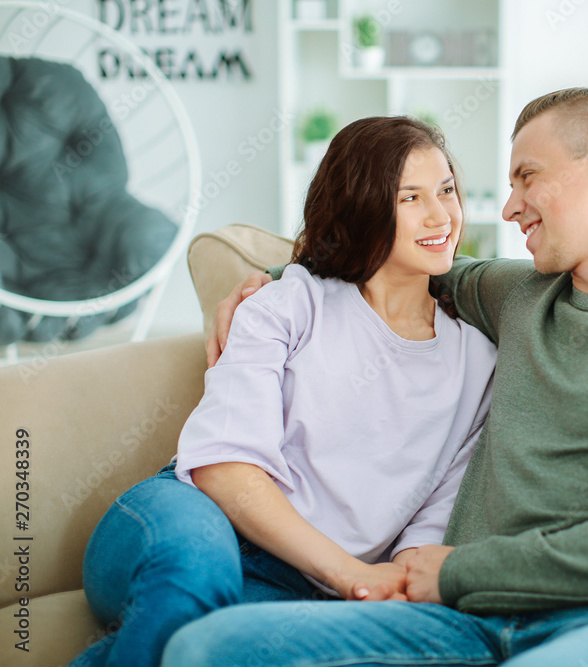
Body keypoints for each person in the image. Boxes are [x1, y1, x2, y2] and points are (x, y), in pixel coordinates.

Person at [165, 88, 588, 667]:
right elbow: (382, 254)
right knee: (208, 647)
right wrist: (265, 286)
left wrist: (463, 573)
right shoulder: (519, 293)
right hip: (468, 622)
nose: (510, 207)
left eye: (528, 178)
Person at [68, 116, 496, 667]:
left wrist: (396, 582)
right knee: (192, 578)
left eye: (446, 191)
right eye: (409, 197)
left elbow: (432, 520)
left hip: (296, 583)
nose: (440, 215)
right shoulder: (290, 303)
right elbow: (222, 467)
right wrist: (350, 575)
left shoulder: (476, 362)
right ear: (361, 205)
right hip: (191, 516)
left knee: (202, 642)